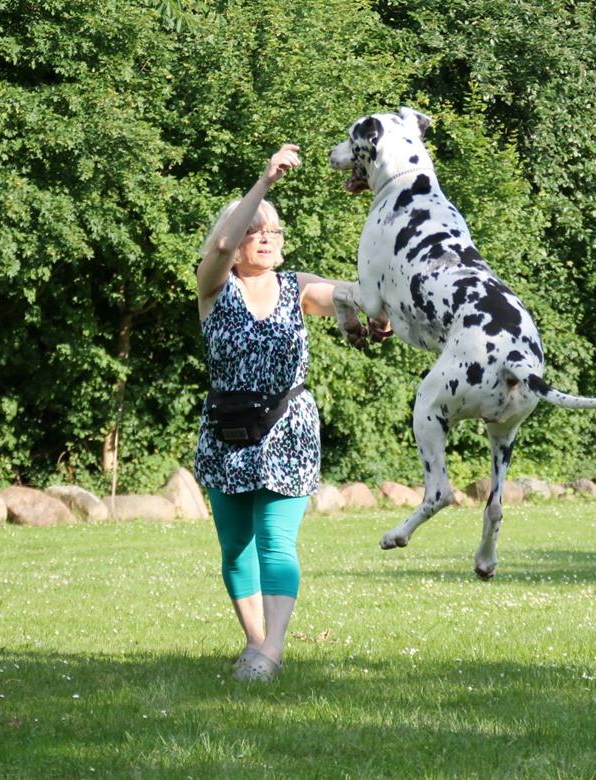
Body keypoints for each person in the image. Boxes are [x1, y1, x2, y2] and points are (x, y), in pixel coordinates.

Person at [194, 143, 388, 683]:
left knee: (277, 541)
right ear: (233, 243)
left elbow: (347, 296)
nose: (267, 237)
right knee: (236, 546)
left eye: (275, 230)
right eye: (257, 231)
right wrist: (263, 183)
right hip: (226, 430)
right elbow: (220, 244)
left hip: (287, 427)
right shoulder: (214, 286)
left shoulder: (294, 287)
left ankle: (271, 652)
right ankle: (256, 644)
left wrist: (375, 311)